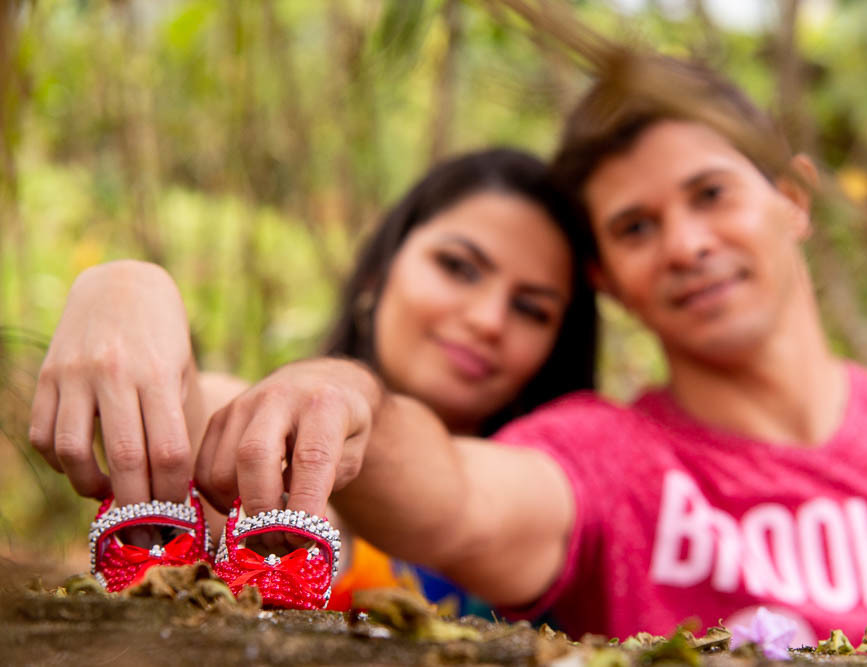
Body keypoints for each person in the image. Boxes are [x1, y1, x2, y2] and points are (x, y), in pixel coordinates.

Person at [191, 54, 867, 662]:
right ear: (606, 277)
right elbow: (454, 497)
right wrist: (342, 389)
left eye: (711, 193)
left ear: (793, 199)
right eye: (635, 227)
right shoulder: (605, 461)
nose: (686, 244)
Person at [28, 147, 597, 611]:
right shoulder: (253, 438)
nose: (488, 319)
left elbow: (457, 496)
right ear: (378, 270)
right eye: (458, 267)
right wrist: (128, 286)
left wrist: (359, 395)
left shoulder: (552, 495)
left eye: (532, 309)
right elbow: (201, 428)